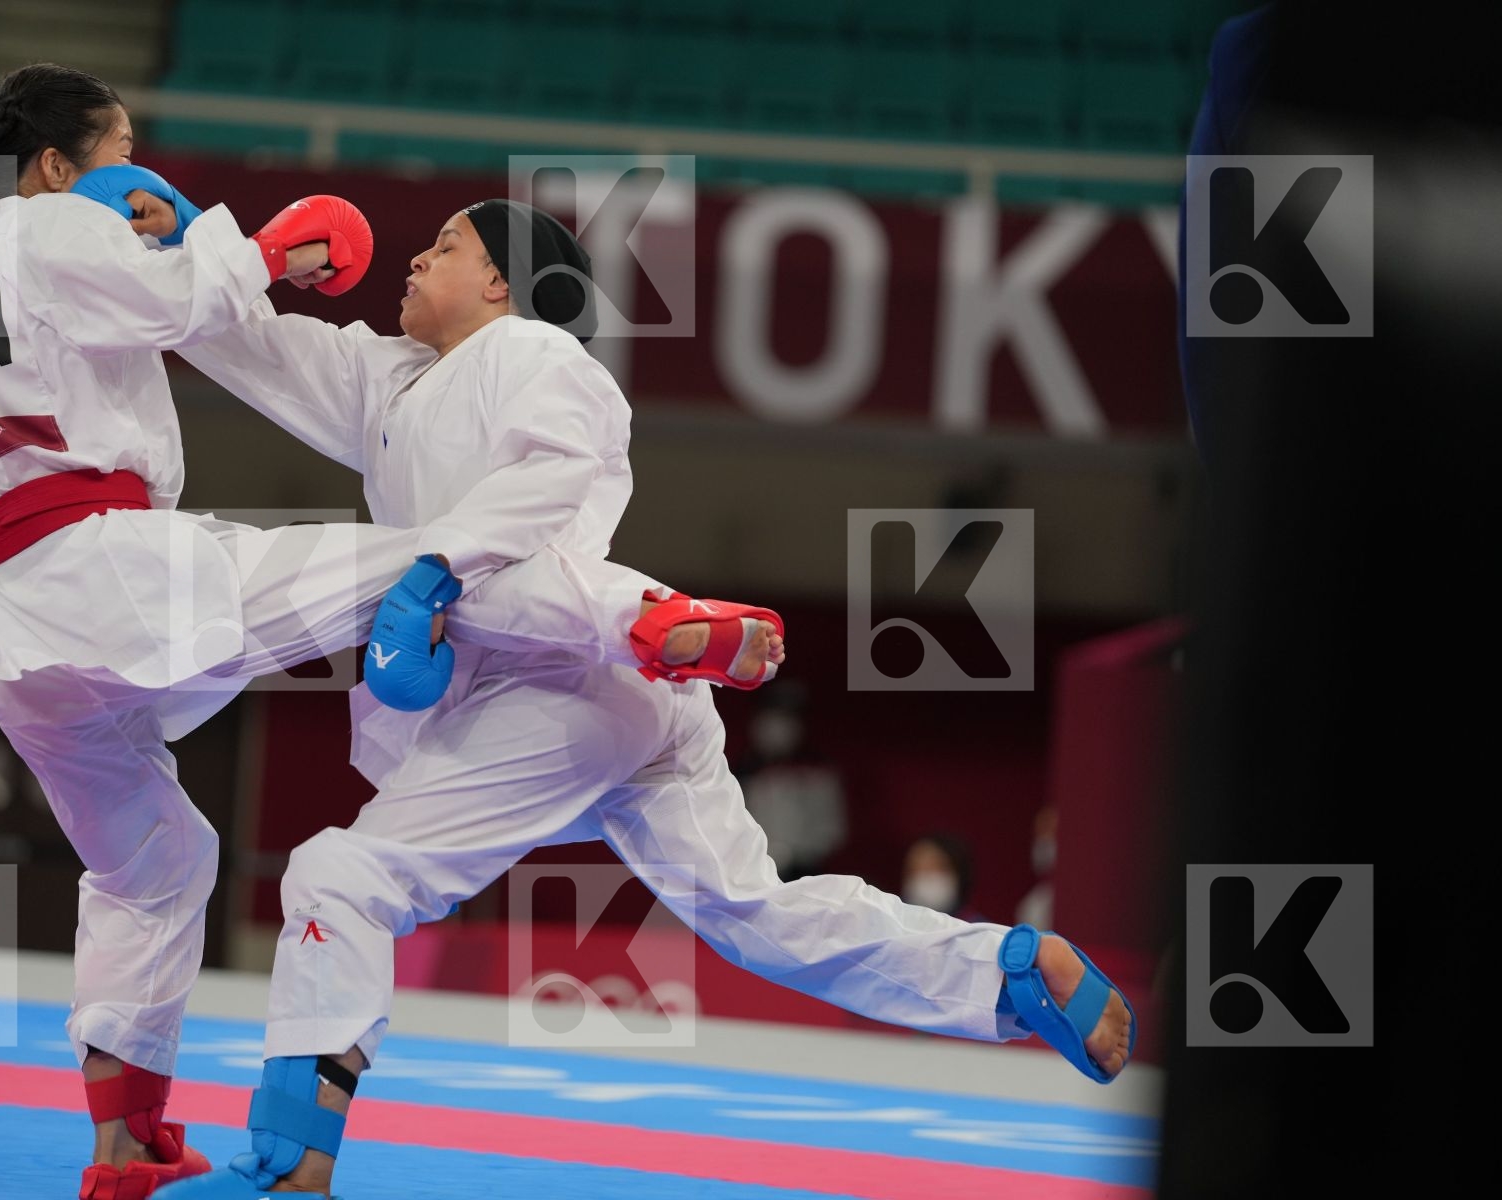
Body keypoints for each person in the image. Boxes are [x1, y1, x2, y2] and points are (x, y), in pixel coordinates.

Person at [0, 64, 781, 1200]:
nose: (138, 176)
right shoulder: (51, 227)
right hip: (115, 572)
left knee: (156, 866)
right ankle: (656, 617)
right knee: (420, 561)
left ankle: (123, 1155)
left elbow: (208, 332)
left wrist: (211, 259)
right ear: (58, 165)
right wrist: (267, 248)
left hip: (16, 639)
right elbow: (178, 302)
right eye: (122, 152)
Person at [163, 199, 1138, 1200]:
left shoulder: (536, 356)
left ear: (502, 284)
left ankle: (288, 1167)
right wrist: (200, 240)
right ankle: (1010, 975)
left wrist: (433, 572)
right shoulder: (389, 381)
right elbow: (247, 342)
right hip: (618, 698)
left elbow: (555, 479)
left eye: (446, 245)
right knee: (756, 914)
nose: (414, 255)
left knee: (342, 876)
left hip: (557, 687)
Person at [734, 682, 847, 880]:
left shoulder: (816, 772)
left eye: (786, 718)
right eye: (772, 715)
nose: (778, 727)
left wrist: (797, 853)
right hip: (749, 872)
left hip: (804, 874)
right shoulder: (739, 772)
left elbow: (832, 830)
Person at [900, 832, 985, 924]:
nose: (926, 878)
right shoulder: (892, 925)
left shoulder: (979, 931)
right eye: (916, 869)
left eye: (935, 867)